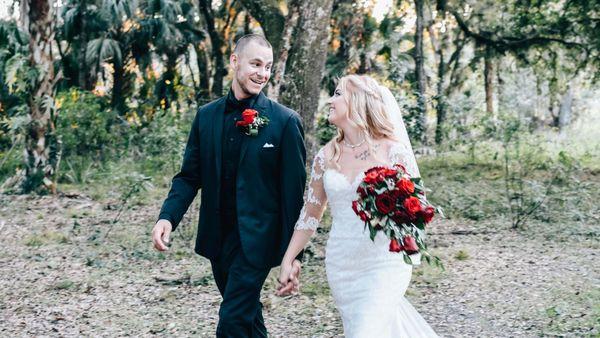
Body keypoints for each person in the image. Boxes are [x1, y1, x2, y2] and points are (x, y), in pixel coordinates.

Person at [152, 34, 305, 338]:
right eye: (256, 64)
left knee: (232, 320)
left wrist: (293, 256)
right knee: (247, 318)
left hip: (258, 241)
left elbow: (293, 196)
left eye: (268, 66)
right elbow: (188, 176)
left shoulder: (285, 122)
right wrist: (167, 217)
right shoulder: (206, 117)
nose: (263, 73)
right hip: (218, 238)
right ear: (235, 61)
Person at [276, 75, 439, 337]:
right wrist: (288, 259)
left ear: (358, 102)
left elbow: (416, 209)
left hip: (385, 262)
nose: (330, 99)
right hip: (342, 266)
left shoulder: (393, 151)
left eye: (338, 93)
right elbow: (309, 216)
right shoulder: (325, 156)